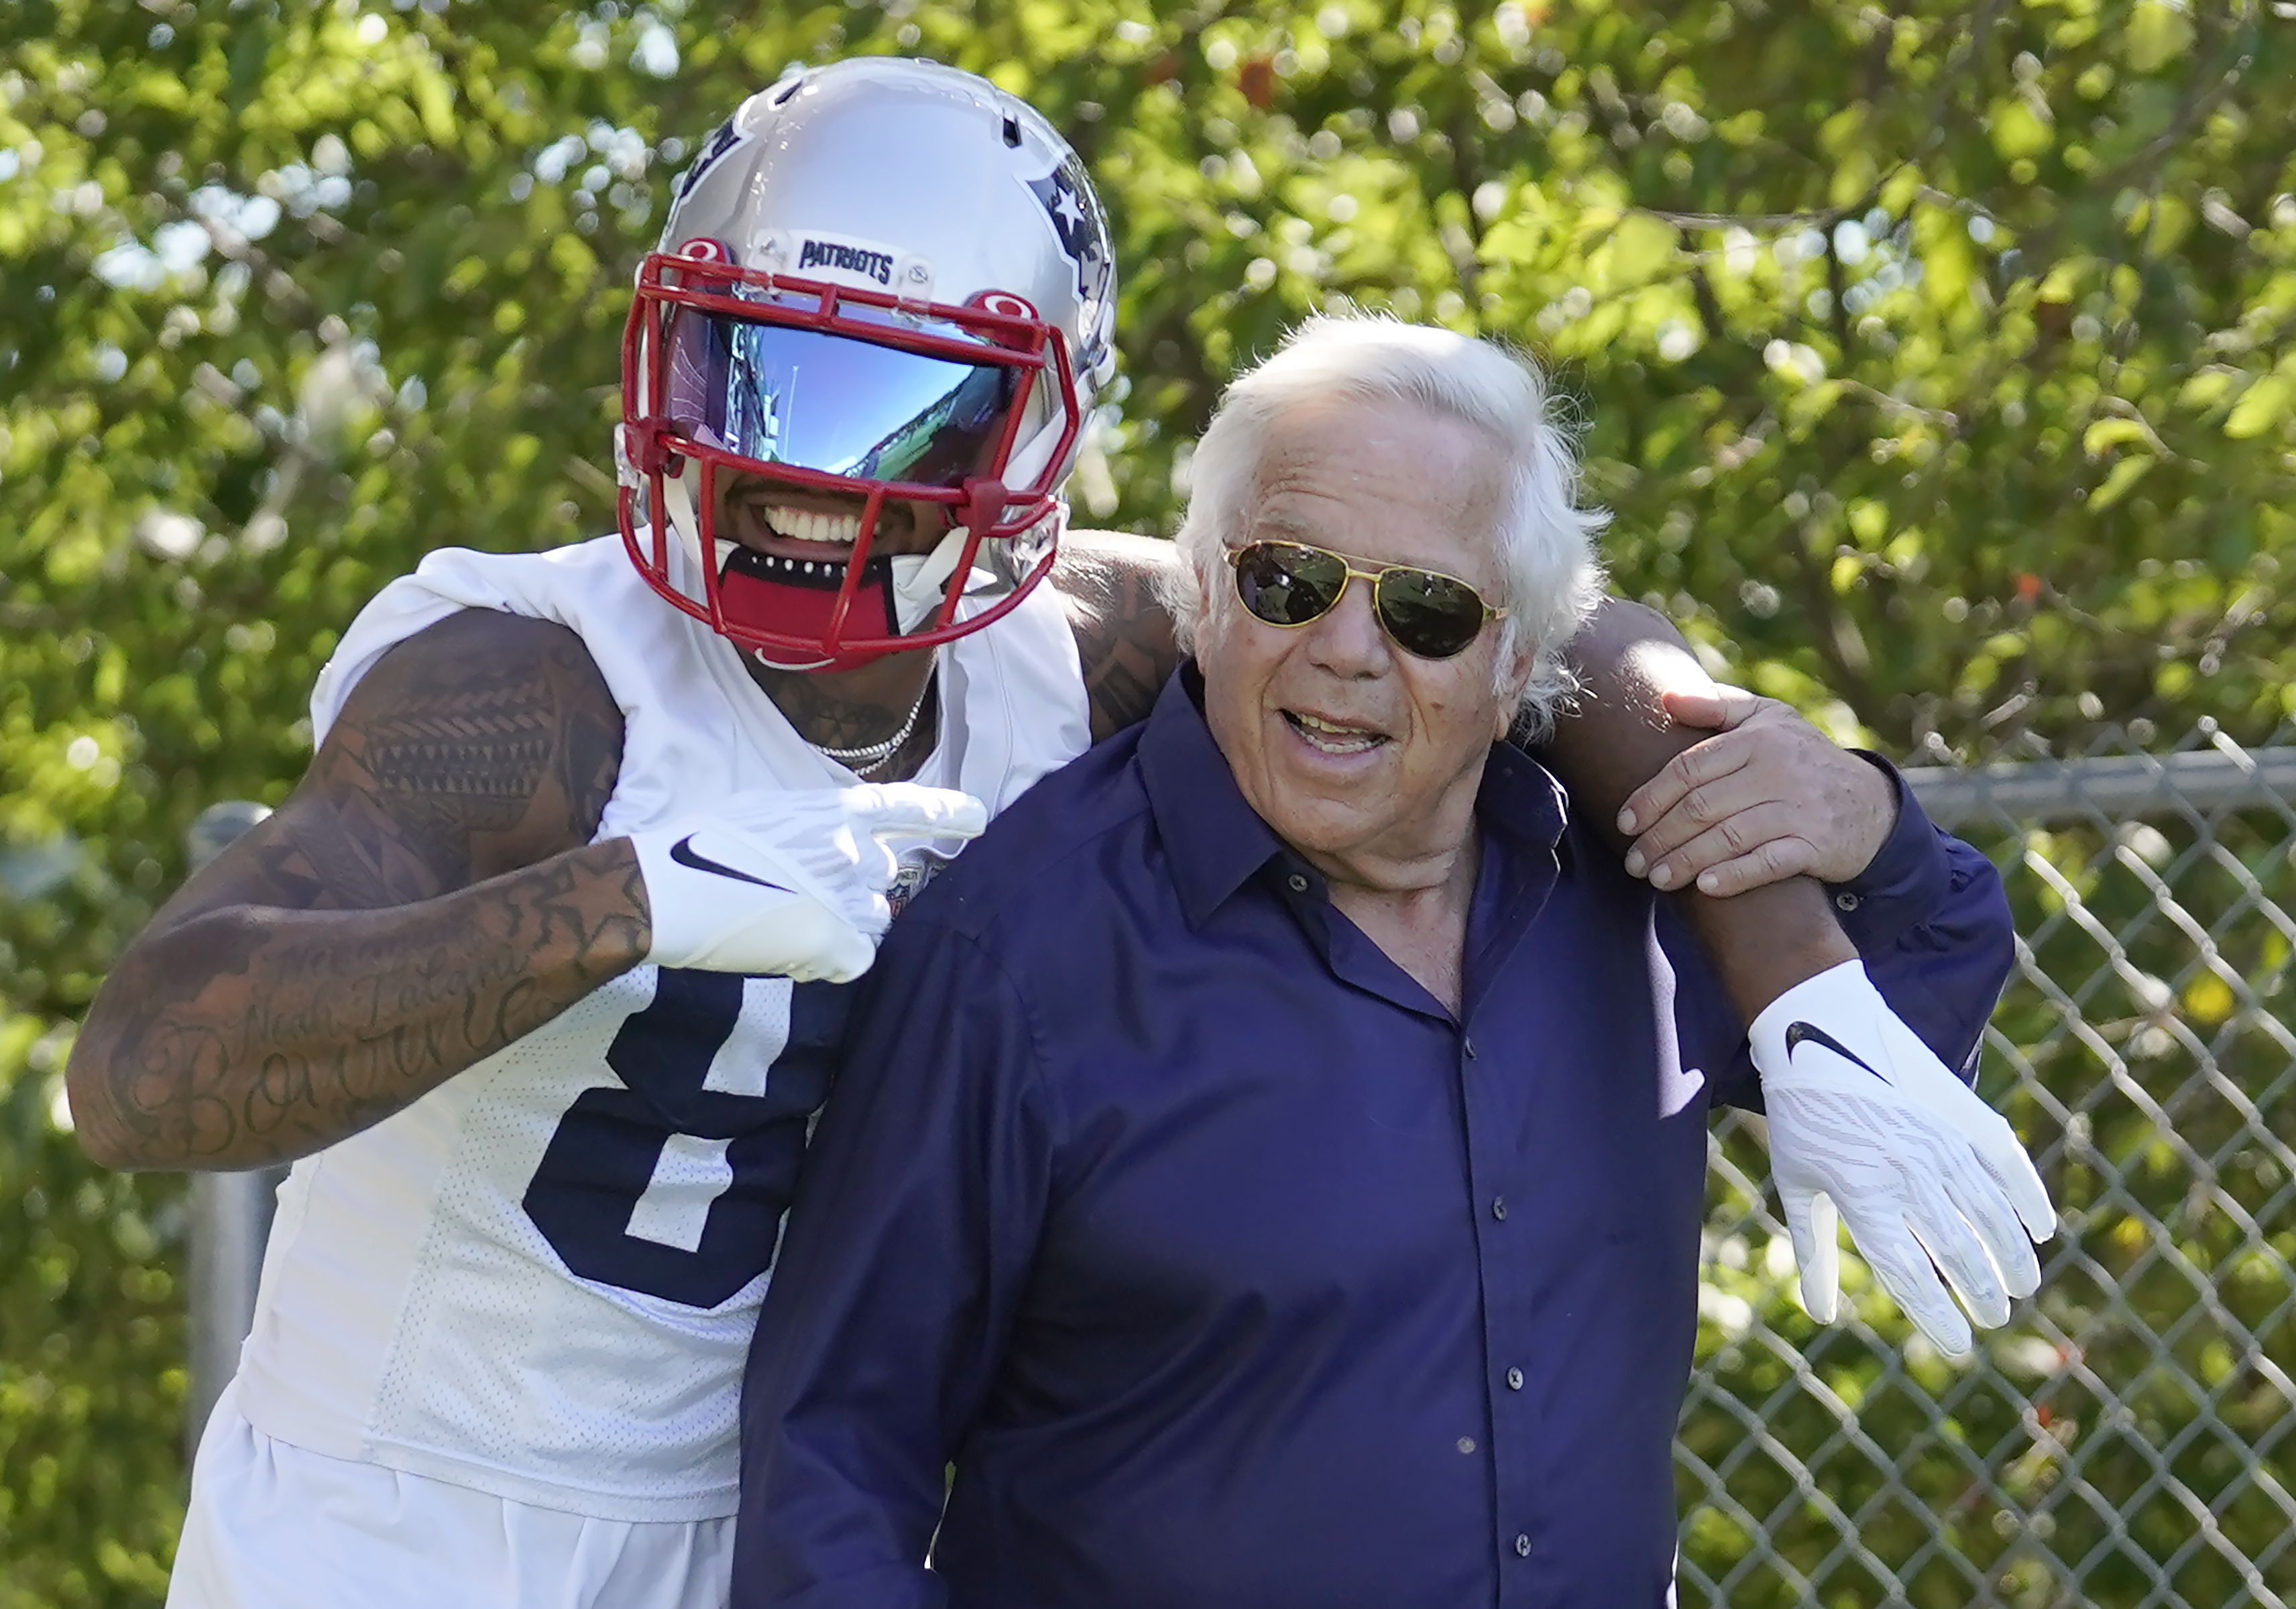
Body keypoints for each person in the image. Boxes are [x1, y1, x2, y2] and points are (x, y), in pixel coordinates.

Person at [63, 58, 2034, 1609]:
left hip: (765, 1523)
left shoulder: (1075, 645)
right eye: (755, 371)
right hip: (415, 1521)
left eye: (893, 416)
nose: (802, 478)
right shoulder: (535, 680)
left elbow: (1532, 616)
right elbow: (147, 1071)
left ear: (1039, 439)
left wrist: (1795, 951)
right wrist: (622, 898)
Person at [732, 315, 2052, 1608]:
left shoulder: (1639, 892)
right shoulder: (1017, 953)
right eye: (1287, 581)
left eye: (1427, 612)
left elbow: (1926, 980)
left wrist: (1865, 822)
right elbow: (834, 1465)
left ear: (1517, 661)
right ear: (1206, 591)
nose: (1348, 650)